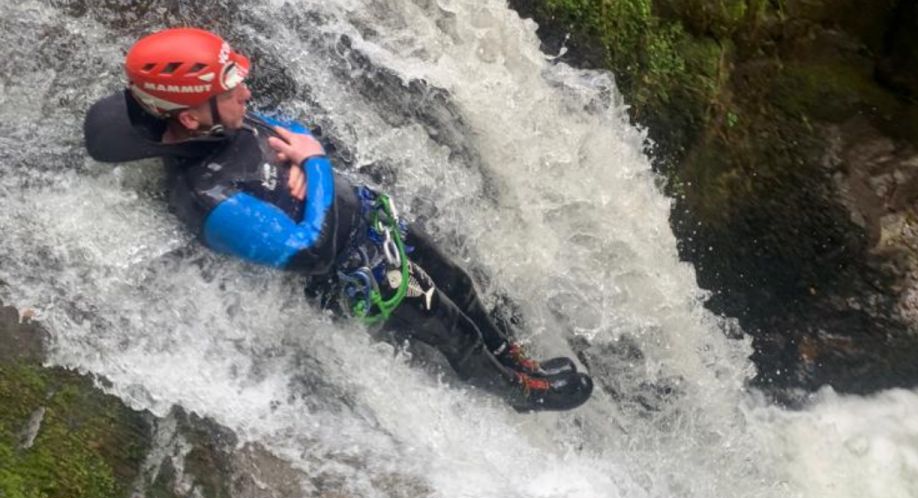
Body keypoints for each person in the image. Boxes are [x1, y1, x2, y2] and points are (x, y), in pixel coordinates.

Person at [84, 27, 593, 412]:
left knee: (458, 283)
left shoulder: (220, 121)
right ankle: (521, 394)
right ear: (191, 117)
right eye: (232, 88)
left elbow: (291, 127)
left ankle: (513, 356)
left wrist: (308, 154)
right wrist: (314, 164)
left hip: (369, 220)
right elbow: (312, 251)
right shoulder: (209, 198)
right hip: (362, 275)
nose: (246, 93)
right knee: (452, 333)